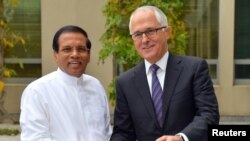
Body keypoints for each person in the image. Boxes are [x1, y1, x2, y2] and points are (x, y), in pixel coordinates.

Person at [110, 6, 219, 141]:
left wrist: (182, 138)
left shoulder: (194, 69)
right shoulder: (125, 82)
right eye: (138, 34)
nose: (144, 40)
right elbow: (123, 133)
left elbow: (209, 115)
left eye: (150, 31)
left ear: (167, 32)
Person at [20, 25, 112, 141]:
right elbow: (36, 138)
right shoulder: (37, 91)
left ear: (88, 55)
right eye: (67, 49)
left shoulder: (95, 86)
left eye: (81, 49)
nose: (75, 54)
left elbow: (107, 133)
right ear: (56, 55)